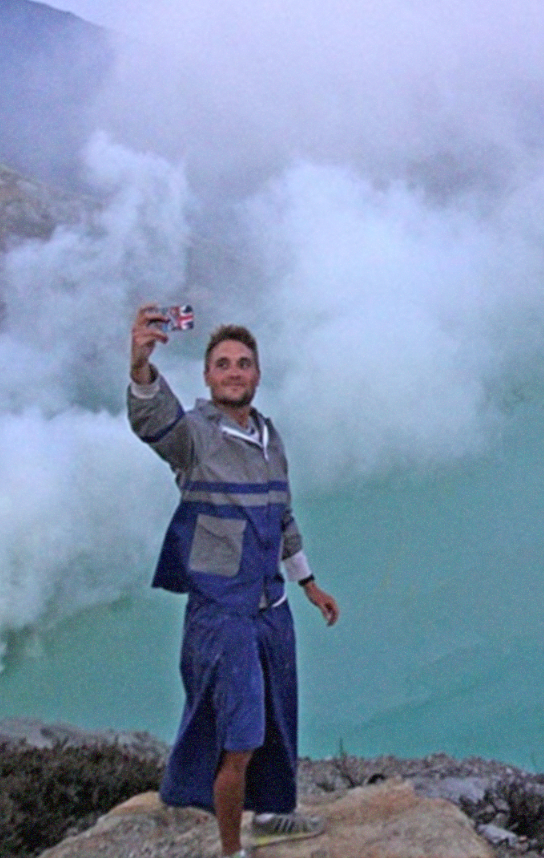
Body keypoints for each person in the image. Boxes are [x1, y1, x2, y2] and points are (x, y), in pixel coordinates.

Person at [128, 304, 340, 858]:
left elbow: (283, 518)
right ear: (207, 376)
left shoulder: (270, 438)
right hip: (222, 613)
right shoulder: (196, 436)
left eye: (244, 363)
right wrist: (141, 368)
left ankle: (272, 817)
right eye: (223, 363)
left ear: (257, 374)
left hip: (271, 606)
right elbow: (155, 424)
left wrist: (309, 584)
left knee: (276, 718)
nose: (234, 371)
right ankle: (230, 852)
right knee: (239, 740)